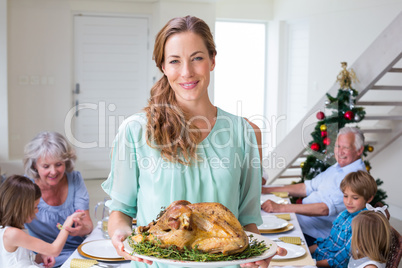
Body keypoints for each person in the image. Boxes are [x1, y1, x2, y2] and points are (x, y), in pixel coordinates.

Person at [101, 15, 285, 268]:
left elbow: (247, 220)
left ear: (212, 60)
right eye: (175, 61)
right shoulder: (135, 131)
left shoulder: (246, 132)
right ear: (163, 67)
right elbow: (121, 211)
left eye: (197, 58)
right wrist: (120, 235)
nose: (187, 72)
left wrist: (258, 256)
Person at [261, 126, 366, 244]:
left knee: (265, 239)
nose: (339, 151)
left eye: (345, 147)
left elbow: (324, 209)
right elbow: (307, 187)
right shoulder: (337, 168)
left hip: (314, 236)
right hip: (300, 222)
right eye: (337, 146)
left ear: (359, 150)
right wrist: (266, 190)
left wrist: (280, 208)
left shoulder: (356, 177)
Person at [23, 131, 93, 266]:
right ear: (34, 166)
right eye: (46, 166)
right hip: (42, 256)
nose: (53, 171)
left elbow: (88, 225)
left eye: (58, 164)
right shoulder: (25, 187)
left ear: (66, 162)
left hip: (74, 253)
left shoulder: (75, 179)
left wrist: (80, 229)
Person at [0, 175, 85, 268]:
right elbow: (54, 250)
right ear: (20, 208)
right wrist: (68, 223)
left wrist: (39, 257)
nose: (37, 211)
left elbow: (19, 260)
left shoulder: (12, 230)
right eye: (35, 207)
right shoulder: (13, 233)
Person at [309, 170, 377, 268]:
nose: (348, 202)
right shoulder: (344, 214)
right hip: (318, 258)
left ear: (369, 198)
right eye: (345, 196)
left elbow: (341, 260)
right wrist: (305, 250)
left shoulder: (363, 224)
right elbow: (328, 242)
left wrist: (310, 264)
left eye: (355, 198)